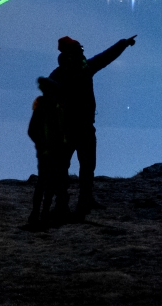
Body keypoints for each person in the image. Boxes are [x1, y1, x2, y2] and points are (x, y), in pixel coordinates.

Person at [49, 34, 135, 218]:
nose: (82, 52)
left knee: (82, 166)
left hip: (78, 127)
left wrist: (122, 44)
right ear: (70, 53)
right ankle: (68, 202)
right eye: (78, 50)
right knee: (74, 166)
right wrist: (123, 44)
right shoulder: (77, 70)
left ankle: (75, 201)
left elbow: (105, 57)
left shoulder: (69, 71)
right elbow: (104, 58)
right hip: (72, 128)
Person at [26, 75, 68, 228]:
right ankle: (39, 214)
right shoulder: (47, 106)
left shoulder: (52, 106)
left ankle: (40, 214)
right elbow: (33, 130)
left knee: (46, 184)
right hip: (48, 152)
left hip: (52, 151)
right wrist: (43, 147)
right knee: (45, 184)